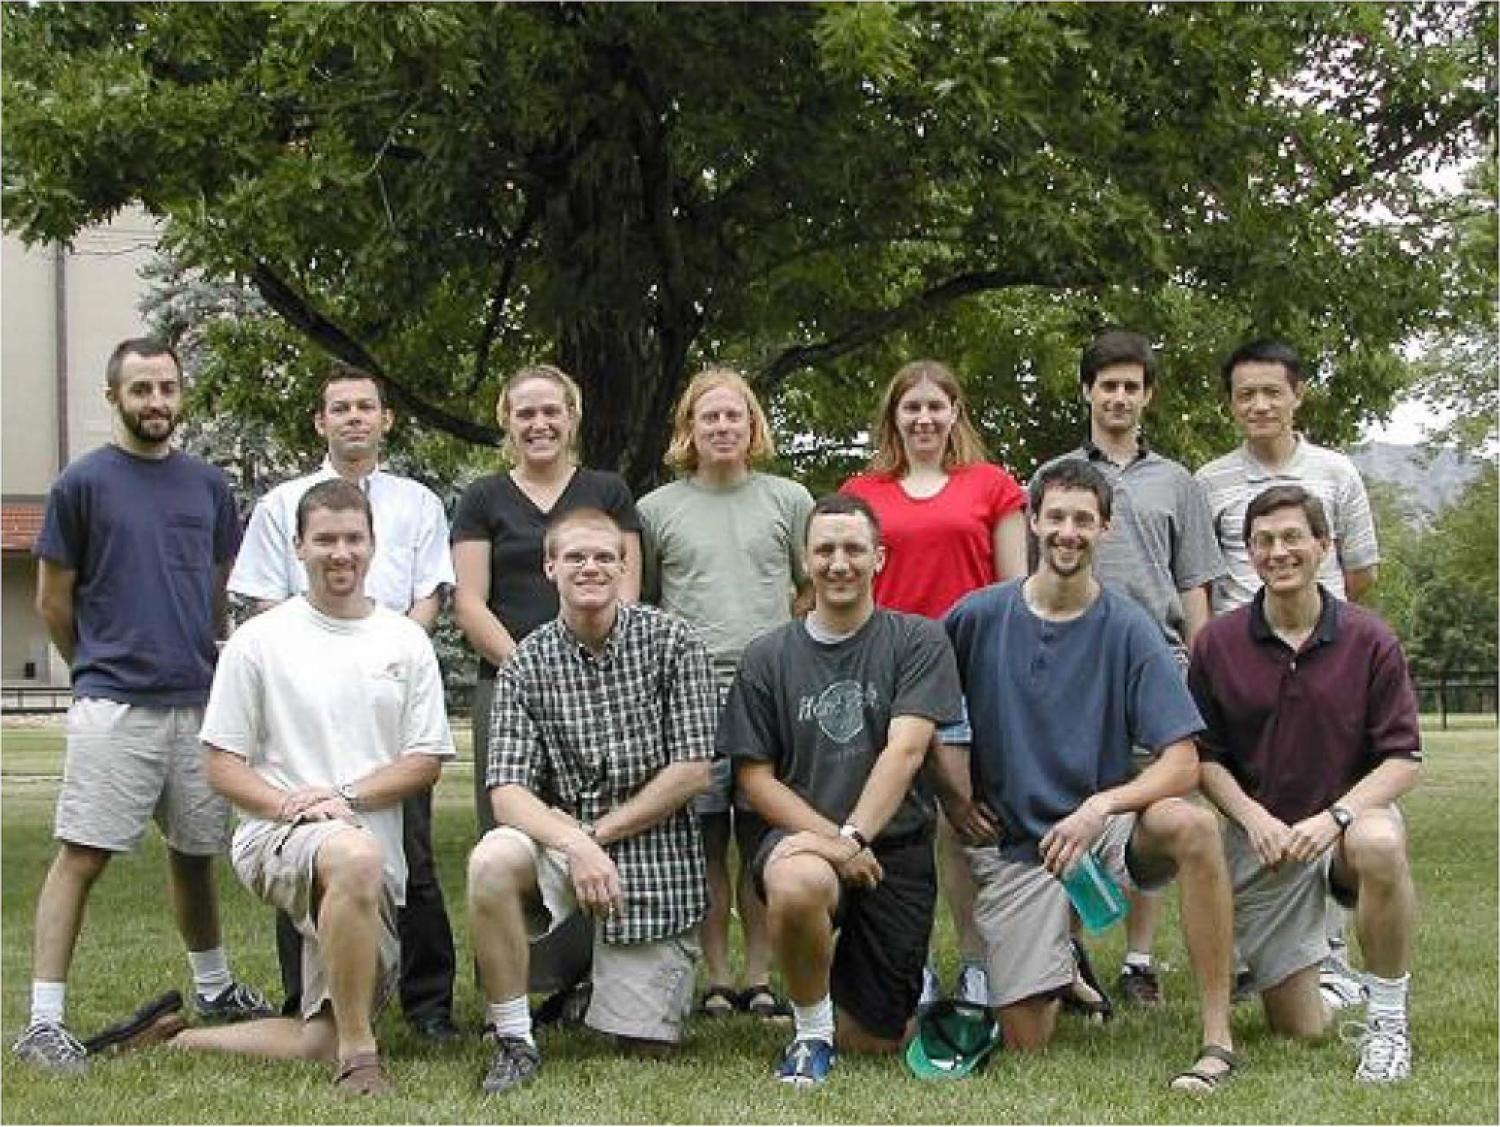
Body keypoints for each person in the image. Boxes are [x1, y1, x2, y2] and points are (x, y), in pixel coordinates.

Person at [14, 338, 271, 1074]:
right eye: (140, 390)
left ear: (181, 394)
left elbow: (214, 587)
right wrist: (97, 667)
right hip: (114, 705)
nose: (155, 402)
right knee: (82, 854)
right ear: (114, 398)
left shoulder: (207, 488)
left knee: (195, 853)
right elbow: (52, 601)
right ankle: (44, 1021)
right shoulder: (81, 484)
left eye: (166, 388)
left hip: (198, 702)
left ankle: (216, 989)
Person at [939, 460, 1238, 1093]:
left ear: (1105, 529)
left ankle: (1217, 1037)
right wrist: (954, 794)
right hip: (1021, 846)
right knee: (1025, 1039)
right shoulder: (975, 617)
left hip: (1103, 833)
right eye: (1056, 517)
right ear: (1034, 523)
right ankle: (1058, 966)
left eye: (1083, 520)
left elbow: (1183, 760)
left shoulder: (1129, 626)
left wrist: (1102, 806)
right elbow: (926, 713)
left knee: (1193, 824)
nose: (1068, 532)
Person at [166, 479, 454, 1095]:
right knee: (353, 852)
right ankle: (361, 1058)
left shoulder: (404, 640)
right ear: (298, 547)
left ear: (374, 545)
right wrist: (294, 806)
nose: (340, 553)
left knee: (313, 1038)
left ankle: (181, 1038)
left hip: (368, 846)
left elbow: (426, 759)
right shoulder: (259, 642)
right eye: (325, 539)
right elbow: (221, 763)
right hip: (276, 834)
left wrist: (343, 799)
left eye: (353, 539)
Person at [228, 363, 459, 1041]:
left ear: (385, 420)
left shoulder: (417, 502)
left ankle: (428, 1005)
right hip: (305, 704)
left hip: (390, 689)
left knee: (410, 855)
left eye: (366, 406)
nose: (354, 416)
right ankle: (306, 996)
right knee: (305, 836)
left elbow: (431, 594)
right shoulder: (281, 504)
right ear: (320, 421)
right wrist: (321, 661)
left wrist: (386, 660)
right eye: (340, 407)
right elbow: (267, 596)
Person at [467, 508, 717, 1096]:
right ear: (550, 566)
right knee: (491, 860)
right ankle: (513, 1037)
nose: (591, 567)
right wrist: (574, 843)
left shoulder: (675, 643)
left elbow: (691, 773)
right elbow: (506, 792)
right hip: (561, 841)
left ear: (624, 567)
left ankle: (590, 994)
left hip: (654, 857)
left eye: (605, 556)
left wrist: (594, 837)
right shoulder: (526, 662)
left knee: (644, 1046)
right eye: (575, 556)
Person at [719, 493, 963, 1088]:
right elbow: (754, 778)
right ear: (805, 559)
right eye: (824, 549)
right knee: (798, 882)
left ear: (879, 557)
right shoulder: (767, 656)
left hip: (893, 847)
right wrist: (834, 844)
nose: (839, 563)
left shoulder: (918, 640)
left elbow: (905, 752)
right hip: (801, 839)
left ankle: (903, 980)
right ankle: (809, 1032)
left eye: (854, 548)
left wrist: (856, 837)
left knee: (877, 1041)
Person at [1189, 485, 1421, 1083]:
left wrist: (1336, 817)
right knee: (1300, 1026)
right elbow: (1205, 757)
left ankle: (1388, 1023)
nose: (1278, 551)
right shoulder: (1217, 643)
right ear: (1248, 553)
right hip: (1266, 841)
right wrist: (1254, 819)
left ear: (1324, 545)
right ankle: (1336, 983)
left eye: (1293, 537)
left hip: (1343, 827)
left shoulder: (1370, 639)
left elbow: (1402, 760)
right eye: (1263, 540)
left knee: (1381, 843)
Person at [1032, 330, 1225, 1006]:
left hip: (1157, 661)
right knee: (1071, 800)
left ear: (1148, 396)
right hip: (1075, 665)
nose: (1118, 396)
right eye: (1106, 384)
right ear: (1086, 390)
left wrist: (1199, 670)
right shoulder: (1055, 473)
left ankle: (1139, 959)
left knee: (1158, 803)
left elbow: (1195, 582)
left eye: (1131, 386)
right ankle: (1066, 948)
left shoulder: (1178, 481)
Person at [1196, 337, 1380, 1007]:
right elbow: (1202, 579)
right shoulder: (1209, 481)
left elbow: (1360, 573)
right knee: (1250, 813)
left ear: (1297, 393)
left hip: (1319, 657)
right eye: (1246, 393)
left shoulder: (1336, 472)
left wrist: (1329, 645)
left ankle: (1329, 953)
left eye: (1273, 390)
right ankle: (1259, 954)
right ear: (1232, 403)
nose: (1260, 403)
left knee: (1327, 800)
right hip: (1240, 669)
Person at [451, 363, 641, 1005]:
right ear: (508, 421)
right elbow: (471, 603)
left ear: (572, 417)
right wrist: (532, 671)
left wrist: (585, 671)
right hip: (507, 685)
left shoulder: (607, 492)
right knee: (511, 835)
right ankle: (514, 989)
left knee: (596, 821)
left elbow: (627, 588)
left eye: (550, 411)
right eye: (525, 413)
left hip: (602, 685)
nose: (539, 424)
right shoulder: (482, 499)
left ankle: (589, 983)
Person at [840, 359, 1026, 1010]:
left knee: (963, 819)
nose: (923, 418)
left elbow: (1013, 589)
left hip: (969, 667)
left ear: (955, 414)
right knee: (894, 817)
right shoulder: (864, 489)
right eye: (910, 407)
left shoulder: (993, 485)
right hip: (887, 668)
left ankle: (977, 963)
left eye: (935, 407)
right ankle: (907, 961)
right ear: (894, 416)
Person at [639, 367, 813, 1019]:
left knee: (766, 834)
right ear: (689, 427)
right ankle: (716, 977)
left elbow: (811, 582)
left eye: (733, 416)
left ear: (752, 425)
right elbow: (647, 598)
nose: (721, 427)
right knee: (707, 837)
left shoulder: (789, 499)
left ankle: (761, 974)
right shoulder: (657, 510)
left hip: (770, 688)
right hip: (690, 692)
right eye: (708, 417)